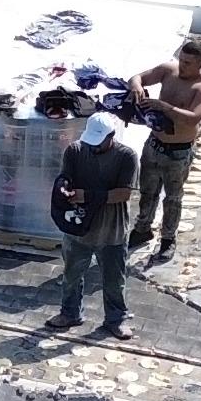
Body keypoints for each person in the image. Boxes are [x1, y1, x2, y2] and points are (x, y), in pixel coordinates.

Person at [50, 111, 136, 335]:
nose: (94, 147)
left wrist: (86, 196)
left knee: (114, 280)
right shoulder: (75, 151)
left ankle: (116, 319)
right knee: (71, 275)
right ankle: (70, 313)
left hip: (111, 230)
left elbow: (123, 193)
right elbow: (66, 176)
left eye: (99, 142)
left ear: (111, 136)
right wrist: (63, 188)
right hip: (79, 228)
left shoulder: (126, 156)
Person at [129, 38, 201, 261]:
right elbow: (138, 77)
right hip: (154, 143)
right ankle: (142, 228)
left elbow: (193, 118)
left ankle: (168, 238)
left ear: (200, 64)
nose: (182, 66)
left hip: (178, 151)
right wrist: (137, 86)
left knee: (173, 197)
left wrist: (165, 107)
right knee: (148, 190)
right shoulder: (169, 70)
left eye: (188, 63)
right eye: (181, 60)